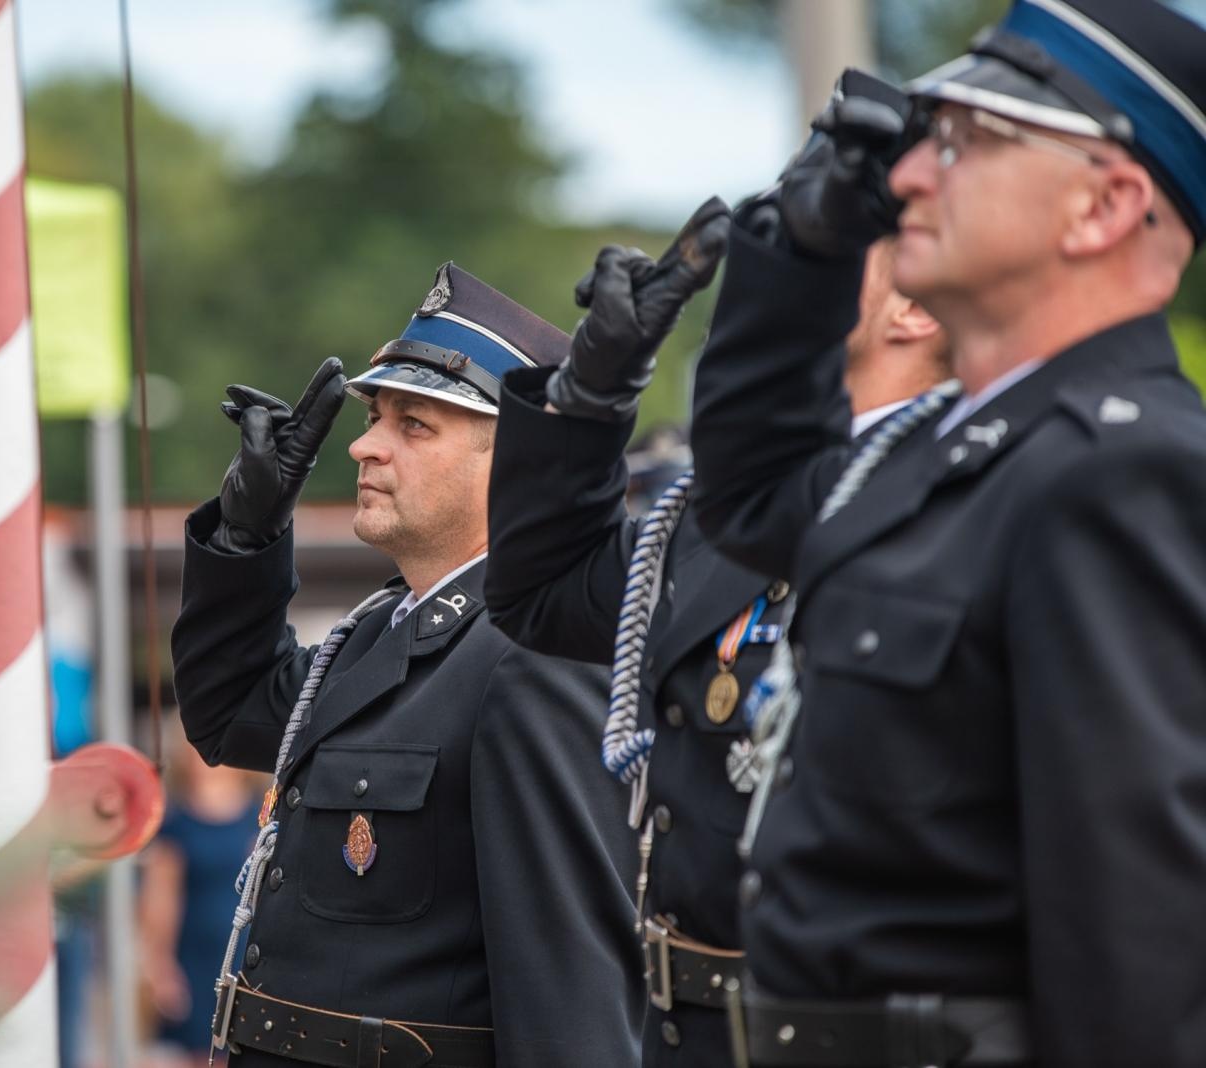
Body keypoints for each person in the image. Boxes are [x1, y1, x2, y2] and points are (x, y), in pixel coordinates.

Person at [686, 3, 1206, 1066]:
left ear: (1103, 205)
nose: (911, 176)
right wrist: (801, 248)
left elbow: (1138, 933)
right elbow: (749, 493)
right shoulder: (932, 449)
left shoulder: (1125, 471)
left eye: (966, 142)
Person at [484, 197, 949, 1066]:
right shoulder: (723, 504)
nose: (778, 279)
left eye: (825, 253)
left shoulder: (966, 492)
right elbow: (541, 594)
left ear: (915, 308)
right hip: (689, 1029)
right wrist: (592, 393)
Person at [170, 263, 643, 1068]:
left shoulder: (540, 658)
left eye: (414, 425)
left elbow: (570, 994)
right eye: (375, 416)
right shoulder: (381, 629)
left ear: (520, 464)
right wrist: (247, 541)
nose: (363, 444)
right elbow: (233, 711)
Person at [138, 719, 267, 1068]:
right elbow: (160, 898)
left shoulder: (261, 815)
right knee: (200, 1054)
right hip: (194, 958)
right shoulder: (176, 823)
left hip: (244, 955)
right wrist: (160, 965)